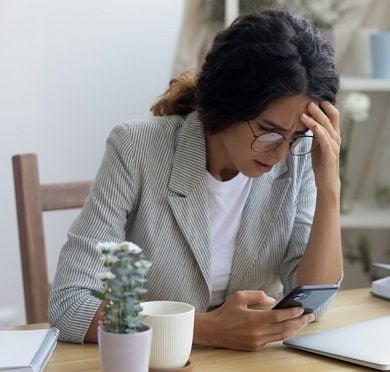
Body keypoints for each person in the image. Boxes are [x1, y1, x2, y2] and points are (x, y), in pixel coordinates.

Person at [48, 9, 342, 352]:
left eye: (297, 137)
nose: (279, 155)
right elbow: (69, 306)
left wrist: (330, 187)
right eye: (267, 132)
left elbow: (313, 304)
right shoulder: (135, 147)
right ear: (228, 101)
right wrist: (203, 330)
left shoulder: (296, 160)